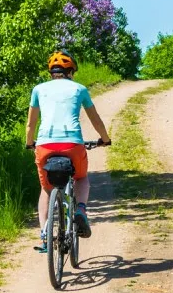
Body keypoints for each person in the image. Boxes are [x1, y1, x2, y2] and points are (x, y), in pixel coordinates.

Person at [25, 51, 111, 251]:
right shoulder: (79, 89)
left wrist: (30, 143)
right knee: (81, 178)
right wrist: (105, 139)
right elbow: (95, 120)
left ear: (51, 72)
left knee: (46, 189)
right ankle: (80, 210)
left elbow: (31, 124)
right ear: (71, 72)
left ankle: (45, 236)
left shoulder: (38, 89)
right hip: (72, 144)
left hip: (45, 145)